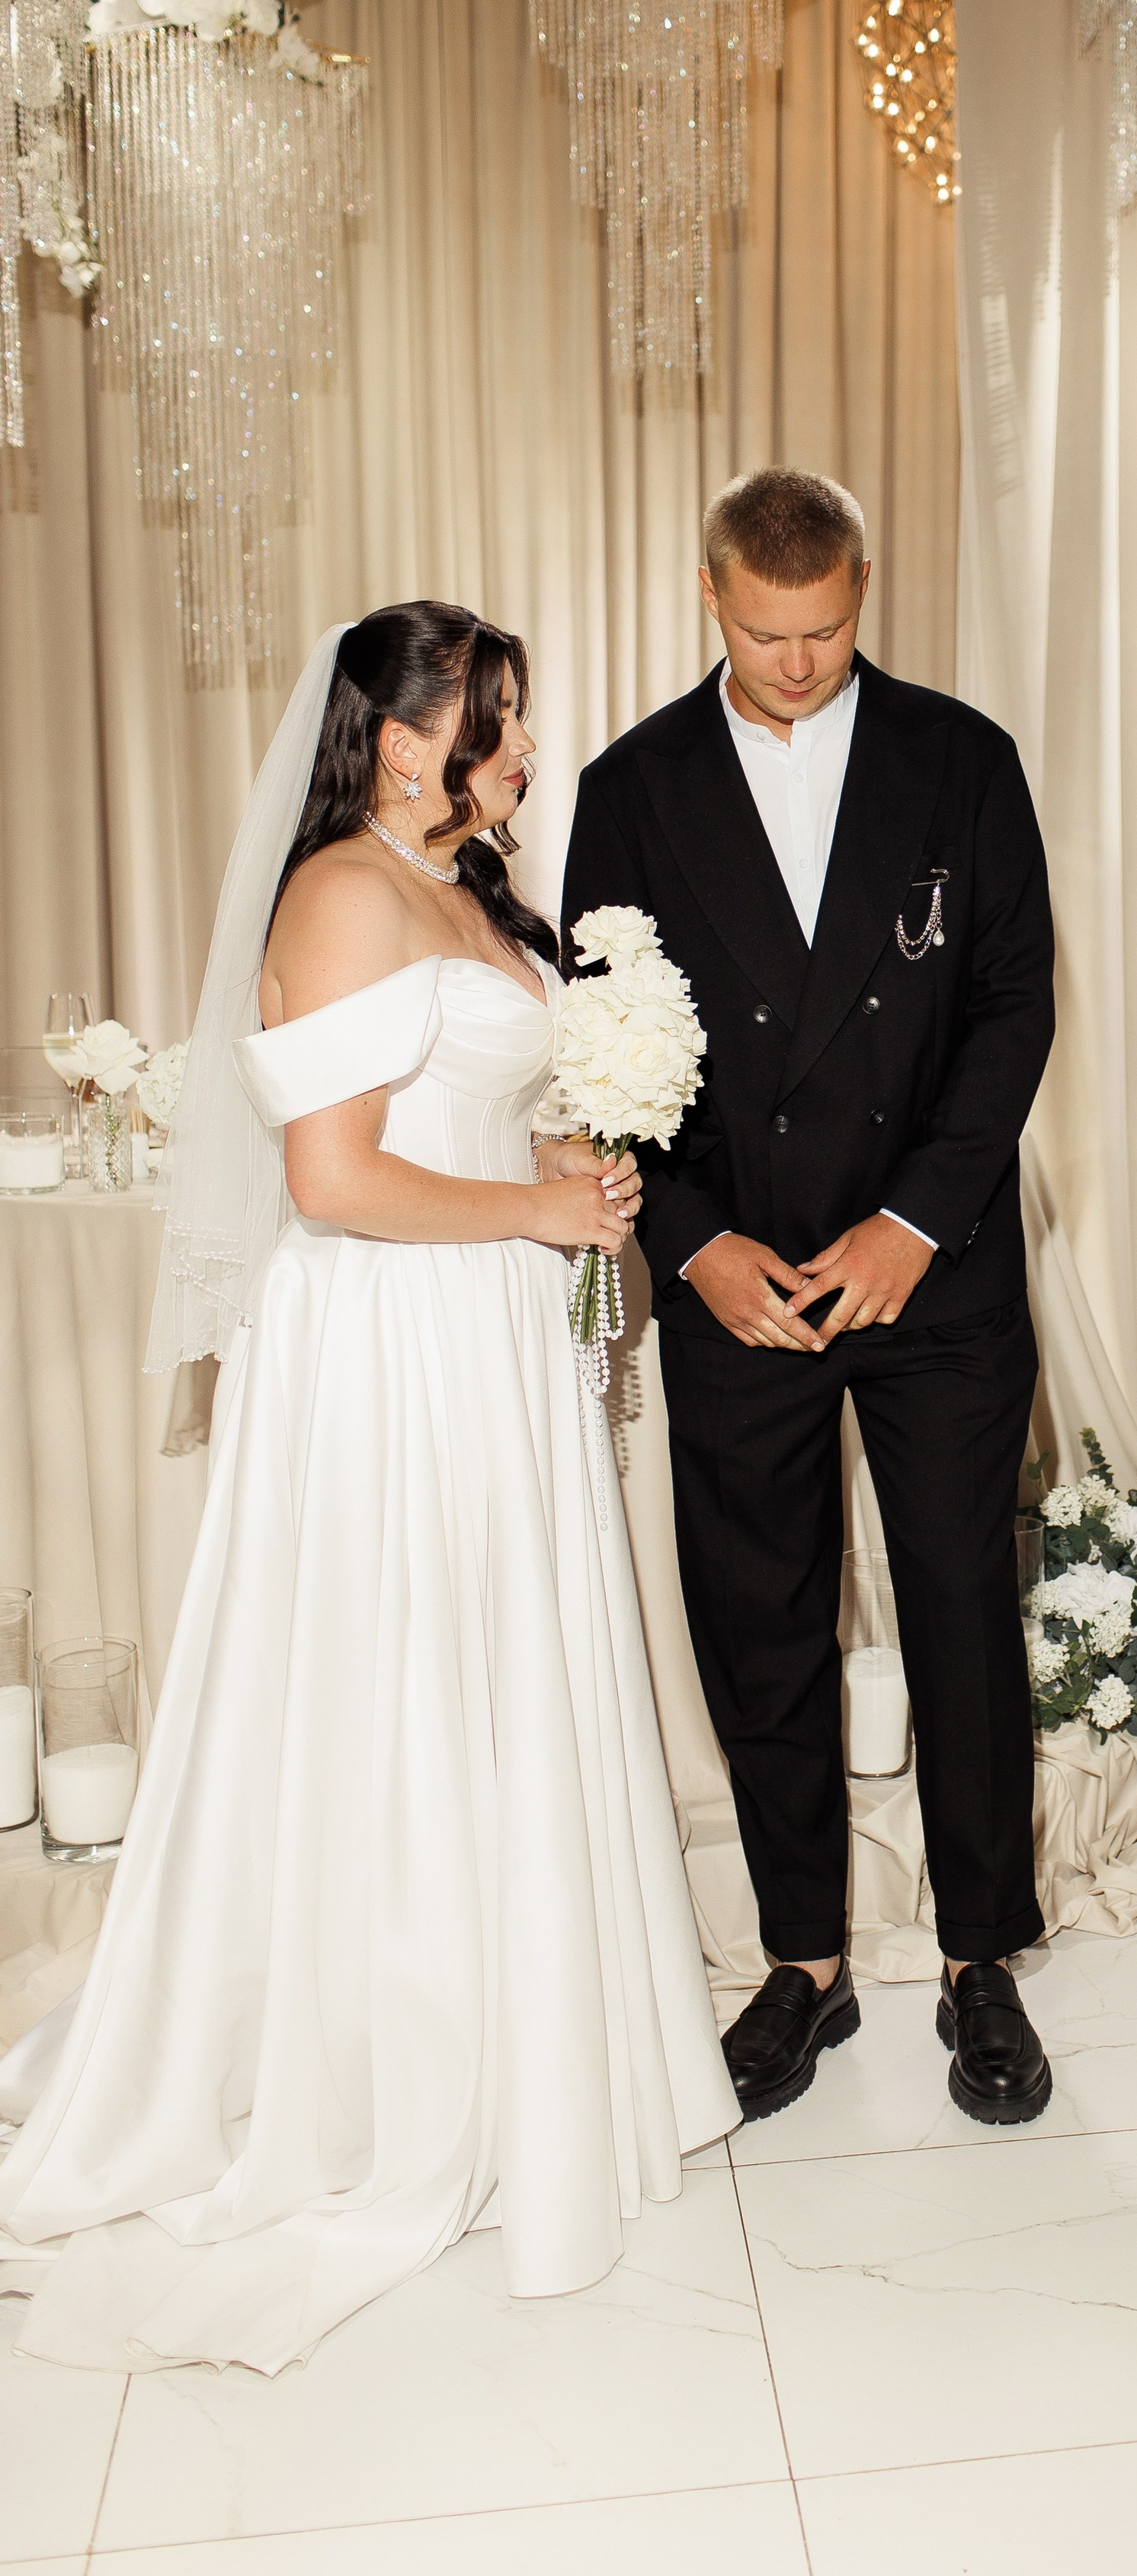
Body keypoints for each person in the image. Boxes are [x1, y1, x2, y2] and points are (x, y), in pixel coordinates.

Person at [0, 604, 739, 2374]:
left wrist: (564, 1156)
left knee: (505, 1665)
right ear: (391, 733)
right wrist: (535, 1209)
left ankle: (526, 2024)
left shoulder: (475, 891)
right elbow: (330, 1180)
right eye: (488, 722)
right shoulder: (336, 889)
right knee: (406, 1678)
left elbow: (455, 1113)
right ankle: (397, 2057)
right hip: (393, 1349)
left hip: (487, 1332)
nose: (517, 750)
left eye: (518, 718)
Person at [562, 469, 1057, 2126]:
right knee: (759, 1621)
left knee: (957, 1610)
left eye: (829, 628)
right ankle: (802, 1964)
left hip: (933, 1271)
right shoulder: (627, 787)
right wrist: (690, 1242)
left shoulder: (960, 760)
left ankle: (981, 1955)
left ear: (864, 590)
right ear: (711, 597)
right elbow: (606, 1041)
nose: (798, 660)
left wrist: (916, 1217)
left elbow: (1008, 1009)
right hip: (742, 1280)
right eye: (768, 632)